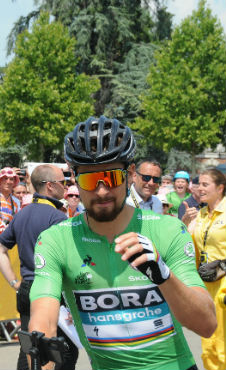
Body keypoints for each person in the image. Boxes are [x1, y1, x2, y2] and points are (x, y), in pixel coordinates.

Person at [28, 116, 216, 370]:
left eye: (111, 177)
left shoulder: (168, 229)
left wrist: (164, 277)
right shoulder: (55, 240)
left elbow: (206, 325)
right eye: (90, 180)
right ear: (74, 178)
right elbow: (43, 323)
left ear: (129, 174)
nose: (102, 191)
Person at [0, 164, 78, 370]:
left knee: (30, 348)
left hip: (27, 287)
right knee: (63, 350)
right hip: (51, 291)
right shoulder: (57, 218)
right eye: (63, 183)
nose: (66, 187)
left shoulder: (22, 214)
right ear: (50, 186)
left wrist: (15, 282)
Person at [192, 168, 226, 370]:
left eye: (205, 184)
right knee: (208, 346)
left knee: (222, 347)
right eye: (199, 184)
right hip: (205, 286)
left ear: (220, 188)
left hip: (223, 287)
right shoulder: (201, 214)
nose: (200, 188)